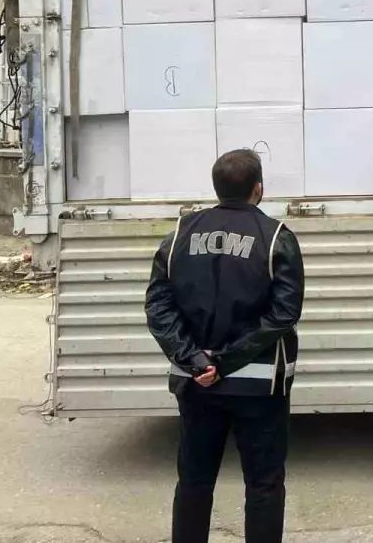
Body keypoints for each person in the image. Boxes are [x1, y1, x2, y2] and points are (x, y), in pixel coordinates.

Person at [145, 149, 305, 543]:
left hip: (197, 383)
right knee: (264, 484)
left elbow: (158, 306)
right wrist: (229, 361)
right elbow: (284, 314)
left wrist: (196, 360)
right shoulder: (277, 238)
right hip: (260, 387)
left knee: (194, 480)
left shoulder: (179, 236)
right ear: (258, 188)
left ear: (216, 187)